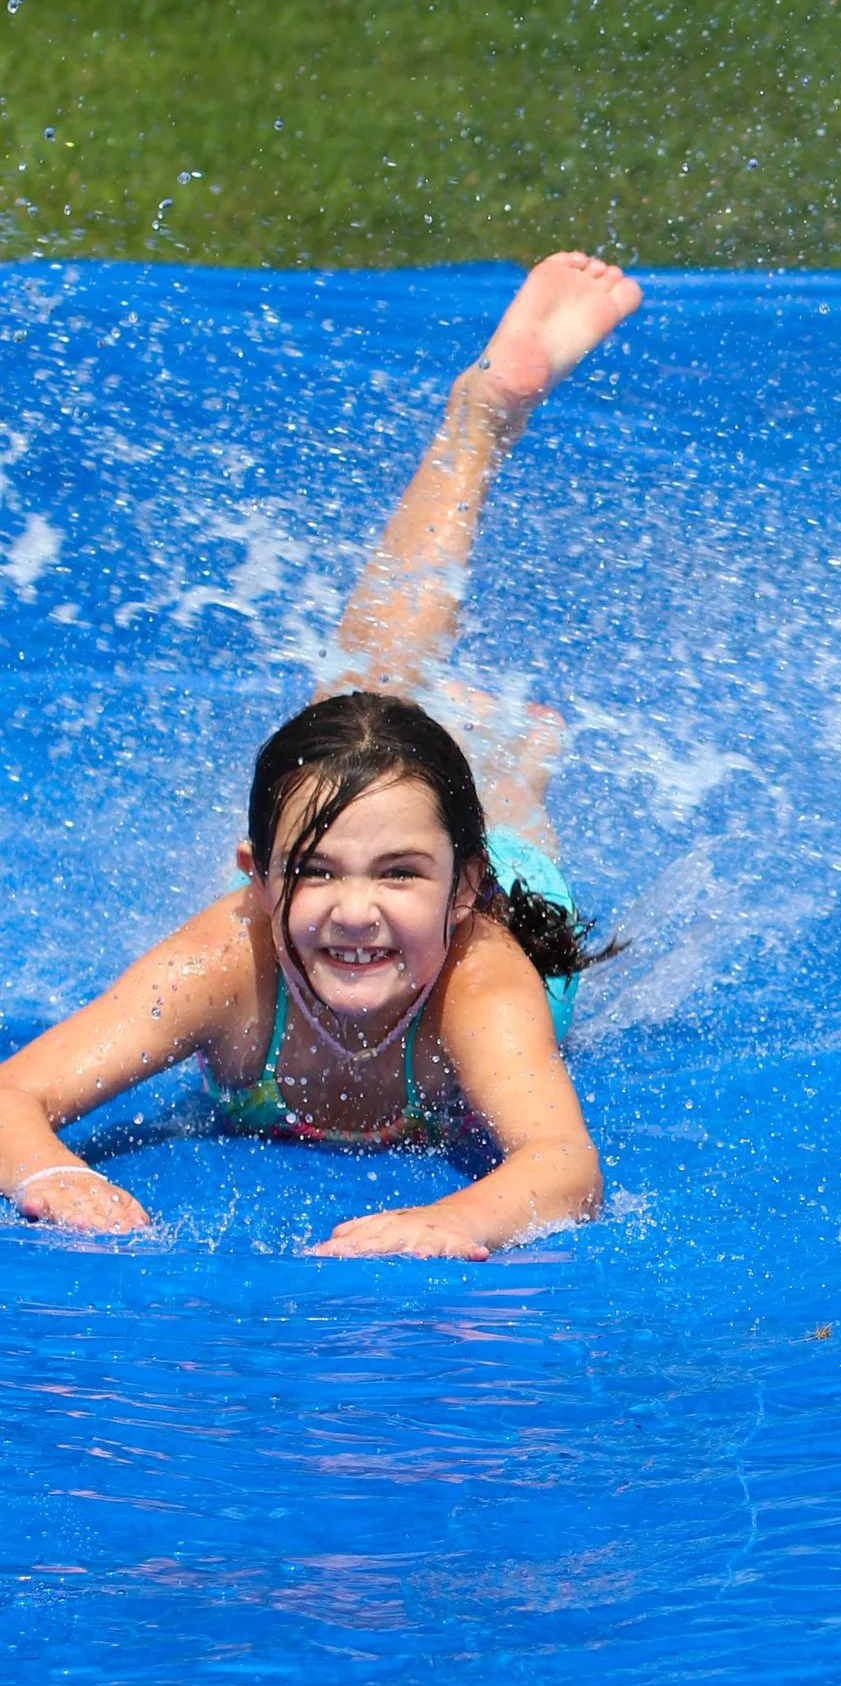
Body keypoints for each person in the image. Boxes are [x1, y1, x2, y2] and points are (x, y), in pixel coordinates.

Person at [0, 251, 642, 1259]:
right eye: (311, 871)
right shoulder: (227, 960)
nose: (351, 908)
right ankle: (473, 741)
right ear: (256, 878)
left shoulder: (479, 977)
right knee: (351, 723)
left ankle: (481, 447)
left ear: (459, 887)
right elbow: (12, 1096)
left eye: (394, 875)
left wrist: (449, 1219)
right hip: (430, 851)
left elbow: (562, 1166)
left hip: (507, 878)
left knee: (467, 775)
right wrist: (50, 1171)